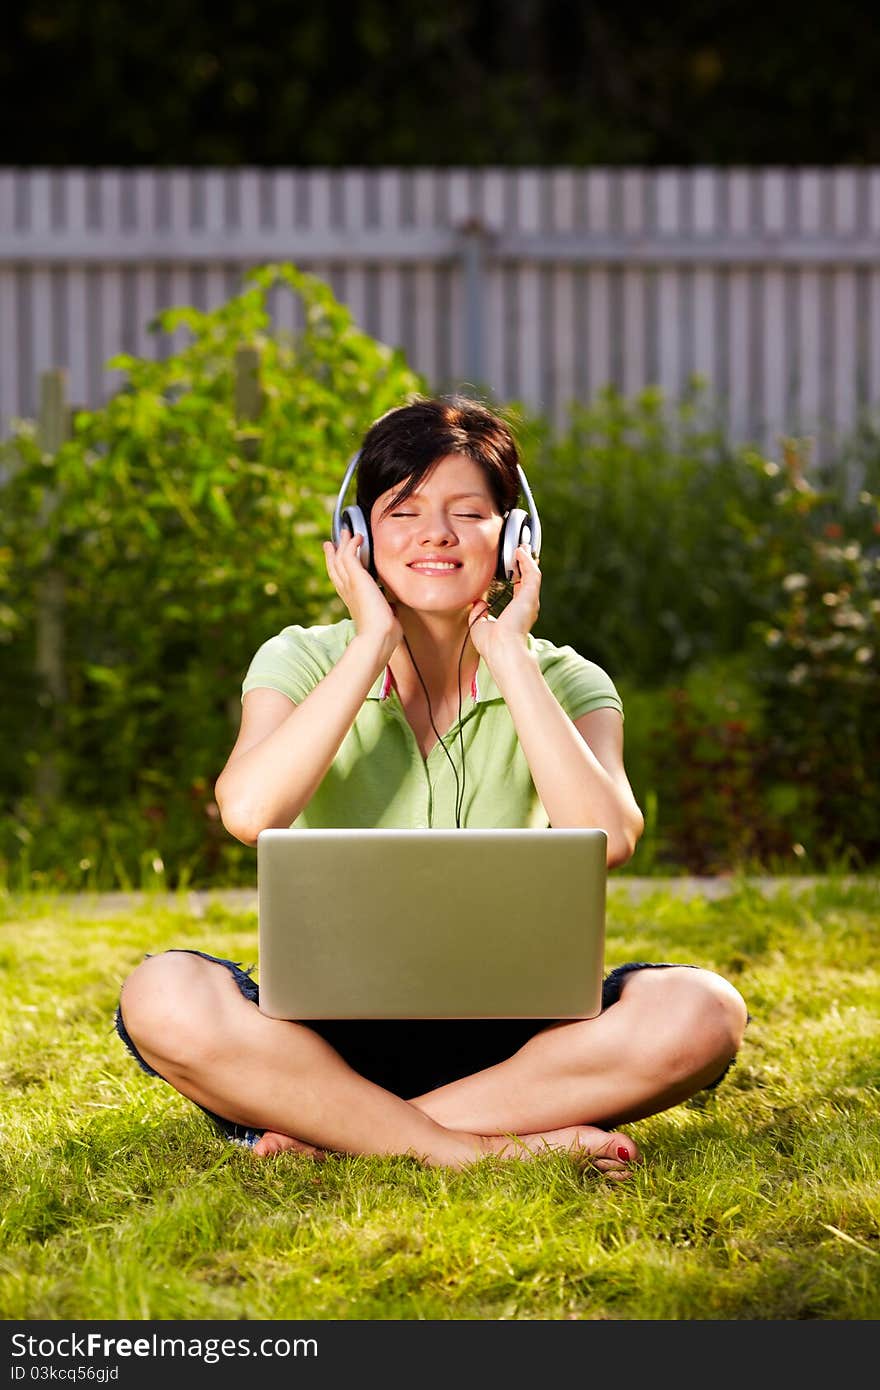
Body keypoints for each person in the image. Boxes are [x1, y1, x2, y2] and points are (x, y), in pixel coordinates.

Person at [116, 394, 748, 1179]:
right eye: (404, 510)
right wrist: (370, 640)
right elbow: (248, 811)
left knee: (703, 1011)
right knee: (161, 992)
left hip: (522, 1040)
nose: (436, 535)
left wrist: (510, 655)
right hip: (324, 1031)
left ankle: (338, 1129)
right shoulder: (302, 658)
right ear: (358, 536)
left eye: (468, 513)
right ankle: (469, 1150)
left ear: (516, 537)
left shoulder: (566, 679)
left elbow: (609, 837)